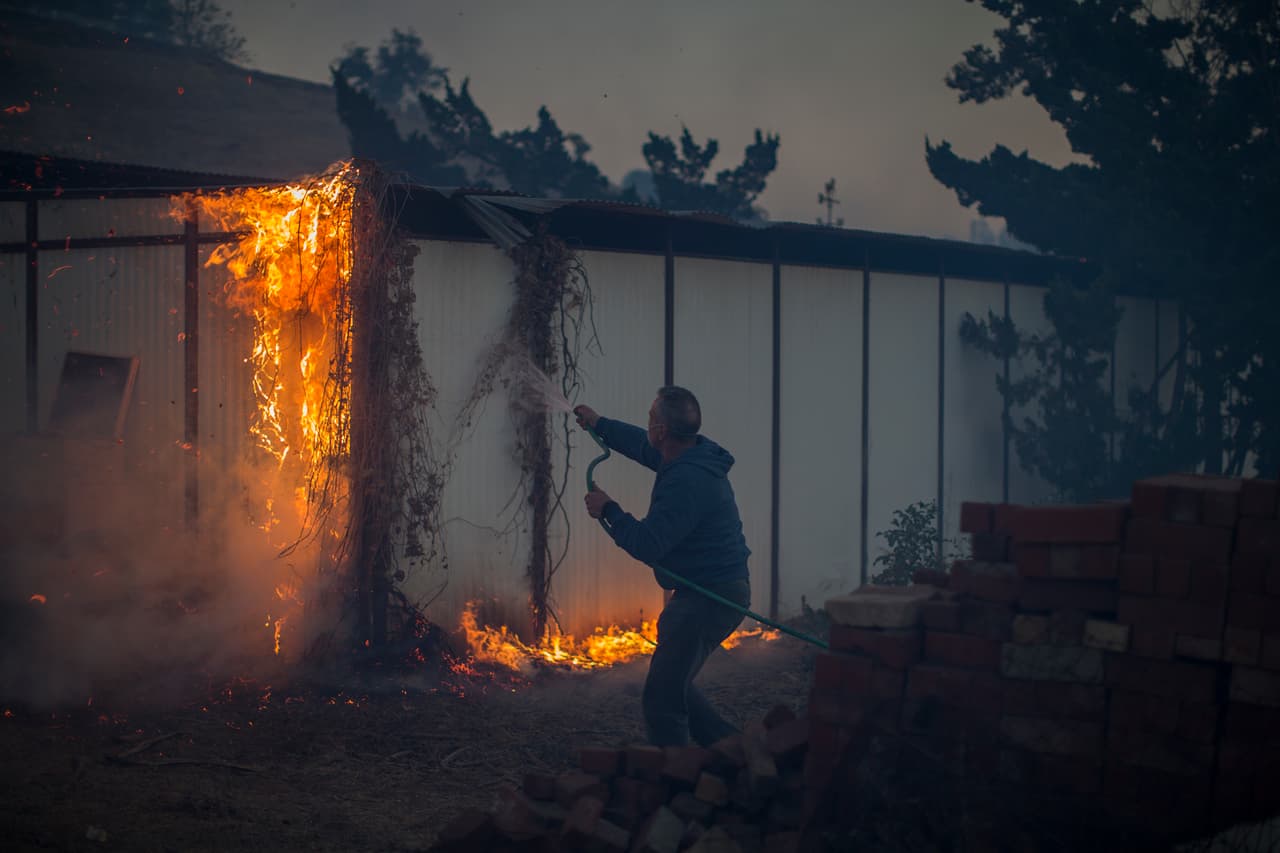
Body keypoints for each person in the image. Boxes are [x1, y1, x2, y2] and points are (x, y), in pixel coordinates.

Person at [574, 386, 751, 747]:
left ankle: (674, 783)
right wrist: (600, 424)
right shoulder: (689, 454)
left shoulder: (687, 481)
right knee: (675, 686)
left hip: (711, 598)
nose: (648, 423)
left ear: (663, 432)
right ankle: (734, 752)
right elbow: (642, 445)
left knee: (662, 698)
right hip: (712, 589)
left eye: (652, 418)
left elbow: (648, 544)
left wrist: (608, 510)